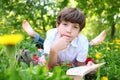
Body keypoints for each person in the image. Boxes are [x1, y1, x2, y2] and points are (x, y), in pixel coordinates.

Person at [22, 7, 106, 68]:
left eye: (75, 27)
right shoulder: (52, 34)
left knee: (87, 47)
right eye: (65, 24)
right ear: (57, 25)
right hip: (51, 51)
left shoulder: (82, 41)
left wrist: (88, 69)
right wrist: (54, 49)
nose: (69, 30)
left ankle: (92, 42)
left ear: (79, 32)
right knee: (41, 48)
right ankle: (34, 35)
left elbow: (80, 66)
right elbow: (50, 65)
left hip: (79, 44)